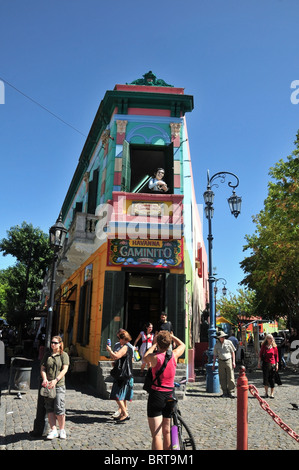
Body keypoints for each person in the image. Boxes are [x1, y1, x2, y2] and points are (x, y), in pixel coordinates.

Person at [143, 331, 185, 450]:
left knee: (156, 435)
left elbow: (145, 357)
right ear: (169, 343)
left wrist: (153, 344)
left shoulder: (155, 357)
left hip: (157, 395)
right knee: (167, 431)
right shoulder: (174, 355)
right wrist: (172, 337)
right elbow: (183, 345)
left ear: (159, 343)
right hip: (170, 394)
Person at [40, 335, 70, 439]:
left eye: (55, 343)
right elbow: (43, 368)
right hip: (48, 385)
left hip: (59, 385)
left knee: (59, 407)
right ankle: (53, 430)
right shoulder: (47, 355)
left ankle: (62, 429)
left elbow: (64, 369)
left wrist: (56, 380)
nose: (53, 344)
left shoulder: (63, 355)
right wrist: (45, 379)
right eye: (52, 342)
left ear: (60, 344)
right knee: (49, 407)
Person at [107, 330, 134, 423]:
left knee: (117, 395)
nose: (119, 340)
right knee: (122, 396)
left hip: (123, 376)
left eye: (119, 338)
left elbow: (116, 356)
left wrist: (109, 350)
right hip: (125, 375)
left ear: (123, 339)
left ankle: (125, 414)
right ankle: (122, 413)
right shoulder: (127, 347)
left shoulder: (126, 347)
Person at [212, 331, 236, 398]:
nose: (222, 338)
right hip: (221, 361)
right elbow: (215, 355)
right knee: (222, 378)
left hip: (228, 361)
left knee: (230, 377)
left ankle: (231, 392)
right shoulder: (217, 345)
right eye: (220, 337)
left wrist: (234, 362)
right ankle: (224, 392)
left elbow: (233, 352)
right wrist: (213, 364)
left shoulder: (229, 342)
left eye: (222, 337)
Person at [258, 334, 279, 398]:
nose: (271, 339)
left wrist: (277, 364)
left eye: (272, 338)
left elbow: (276, 356)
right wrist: (259, 363)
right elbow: (260, 355)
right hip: (265, 364)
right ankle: (266, 392)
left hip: (272, 364)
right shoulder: (264, 346)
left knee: (272, 379)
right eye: (270, 338)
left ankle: (272, 393)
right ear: (267, 339)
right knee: (265, 379)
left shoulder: (274, 347)